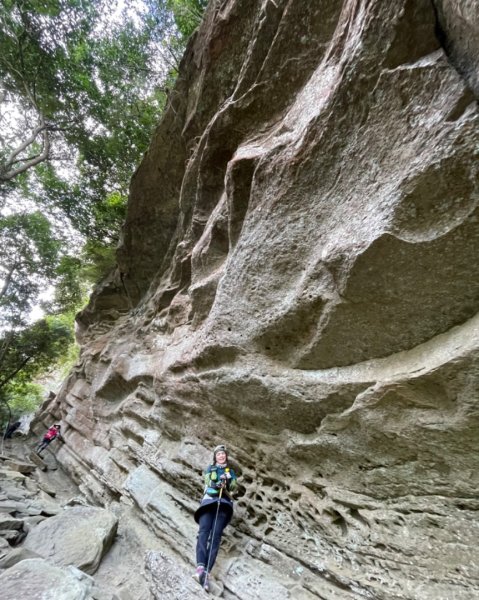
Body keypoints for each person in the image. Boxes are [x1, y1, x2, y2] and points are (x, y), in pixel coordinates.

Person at [193, 444, 238, 591]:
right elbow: (207, 481)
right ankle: (200, 566)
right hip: (209, 502)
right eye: (218, 454)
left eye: (223, 454)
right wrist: (217, 483)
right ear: (215, 457)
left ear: (226, 456)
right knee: (203, 532)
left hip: (223, 504)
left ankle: (206, 571)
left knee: (216, 536)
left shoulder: (230, 472)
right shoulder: (210, 469)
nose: (221, 456)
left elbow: (234, 488)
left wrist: (228, 481)